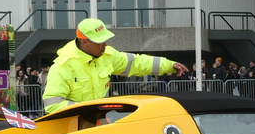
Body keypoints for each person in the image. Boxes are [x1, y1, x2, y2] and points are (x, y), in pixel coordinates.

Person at [42, 18, 188, 114]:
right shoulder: (62, 67)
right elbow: (52, 105)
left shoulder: (108, 56)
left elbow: (137, 63)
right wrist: (86, 111)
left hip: (99, 124)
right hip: (74, 131)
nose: (106, 44)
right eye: (101, 41)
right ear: (85, 42)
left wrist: (170, 65)